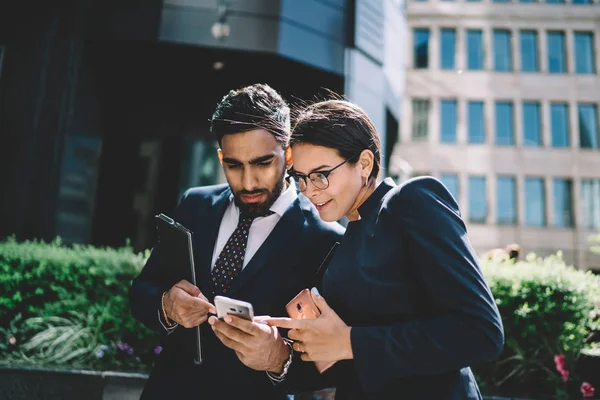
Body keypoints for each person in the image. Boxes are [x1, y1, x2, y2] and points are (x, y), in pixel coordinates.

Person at [215, 99, 505, 399]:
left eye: (321, 174)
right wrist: (276, 355)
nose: (309, 190)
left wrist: (350, 341)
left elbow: (481, 332)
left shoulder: (412, 200)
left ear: (364, 163)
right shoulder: (344, 240)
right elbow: (349, 363)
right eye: (301, 177)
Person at [129, 84, 344, 400]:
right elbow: (141, 290)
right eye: (234, 165)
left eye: (261, 163)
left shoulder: (325, 240)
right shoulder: (195, 205)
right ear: (220, 157)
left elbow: (331, 361)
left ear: (288, 154)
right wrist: (167, 305)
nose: (248, 182)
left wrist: (278, 358)